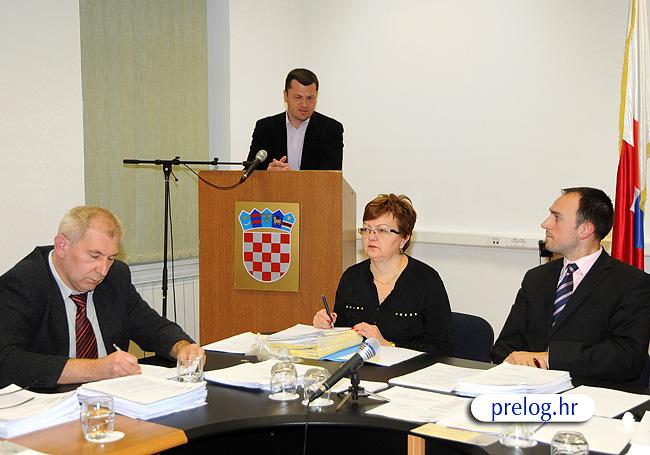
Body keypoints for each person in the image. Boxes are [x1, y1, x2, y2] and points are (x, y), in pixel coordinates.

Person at [0, 206, 204, 389]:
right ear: (62, 246)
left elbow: (149, 325)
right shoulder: (22, 283)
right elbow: (7, 360)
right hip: (49, 403)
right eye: (95, 256)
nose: (103, 270)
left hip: (111, 395)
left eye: (111, 258)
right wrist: (97, 369)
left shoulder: (115, 276)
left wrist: (181, 347)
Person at [492, 187, 650, 382]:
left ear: (585, 229)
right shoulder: (536, 278)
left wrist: (551, 359)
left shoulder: (631, 283)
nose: (545, 224)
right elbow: (504, 346)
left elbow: (625, 358)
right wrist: (517, 363)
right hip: (528, 387)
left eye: (556, 217)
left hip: (593, 393)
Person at [313, 194, 452, 354]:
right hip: (357, 366)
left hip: (407, 369)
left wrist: (387, 345)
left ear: (404, 238)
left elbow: (442, 350)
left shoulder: (427, 281)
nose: (371, 237)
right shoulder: (351, 277)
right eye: (366, 229)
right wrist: (326, 326)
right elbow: (342, 334)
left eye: (382, 230)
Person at [247, 68, 343, 171]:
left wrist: (292, 177)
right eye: (298, 97)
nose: (304, 104)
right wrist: (268, 174)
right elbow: (248, 172)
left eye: (310, 98)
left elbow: (331, 176)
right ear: (285, 96)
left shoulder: (331, 130)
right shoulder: (265, 128)